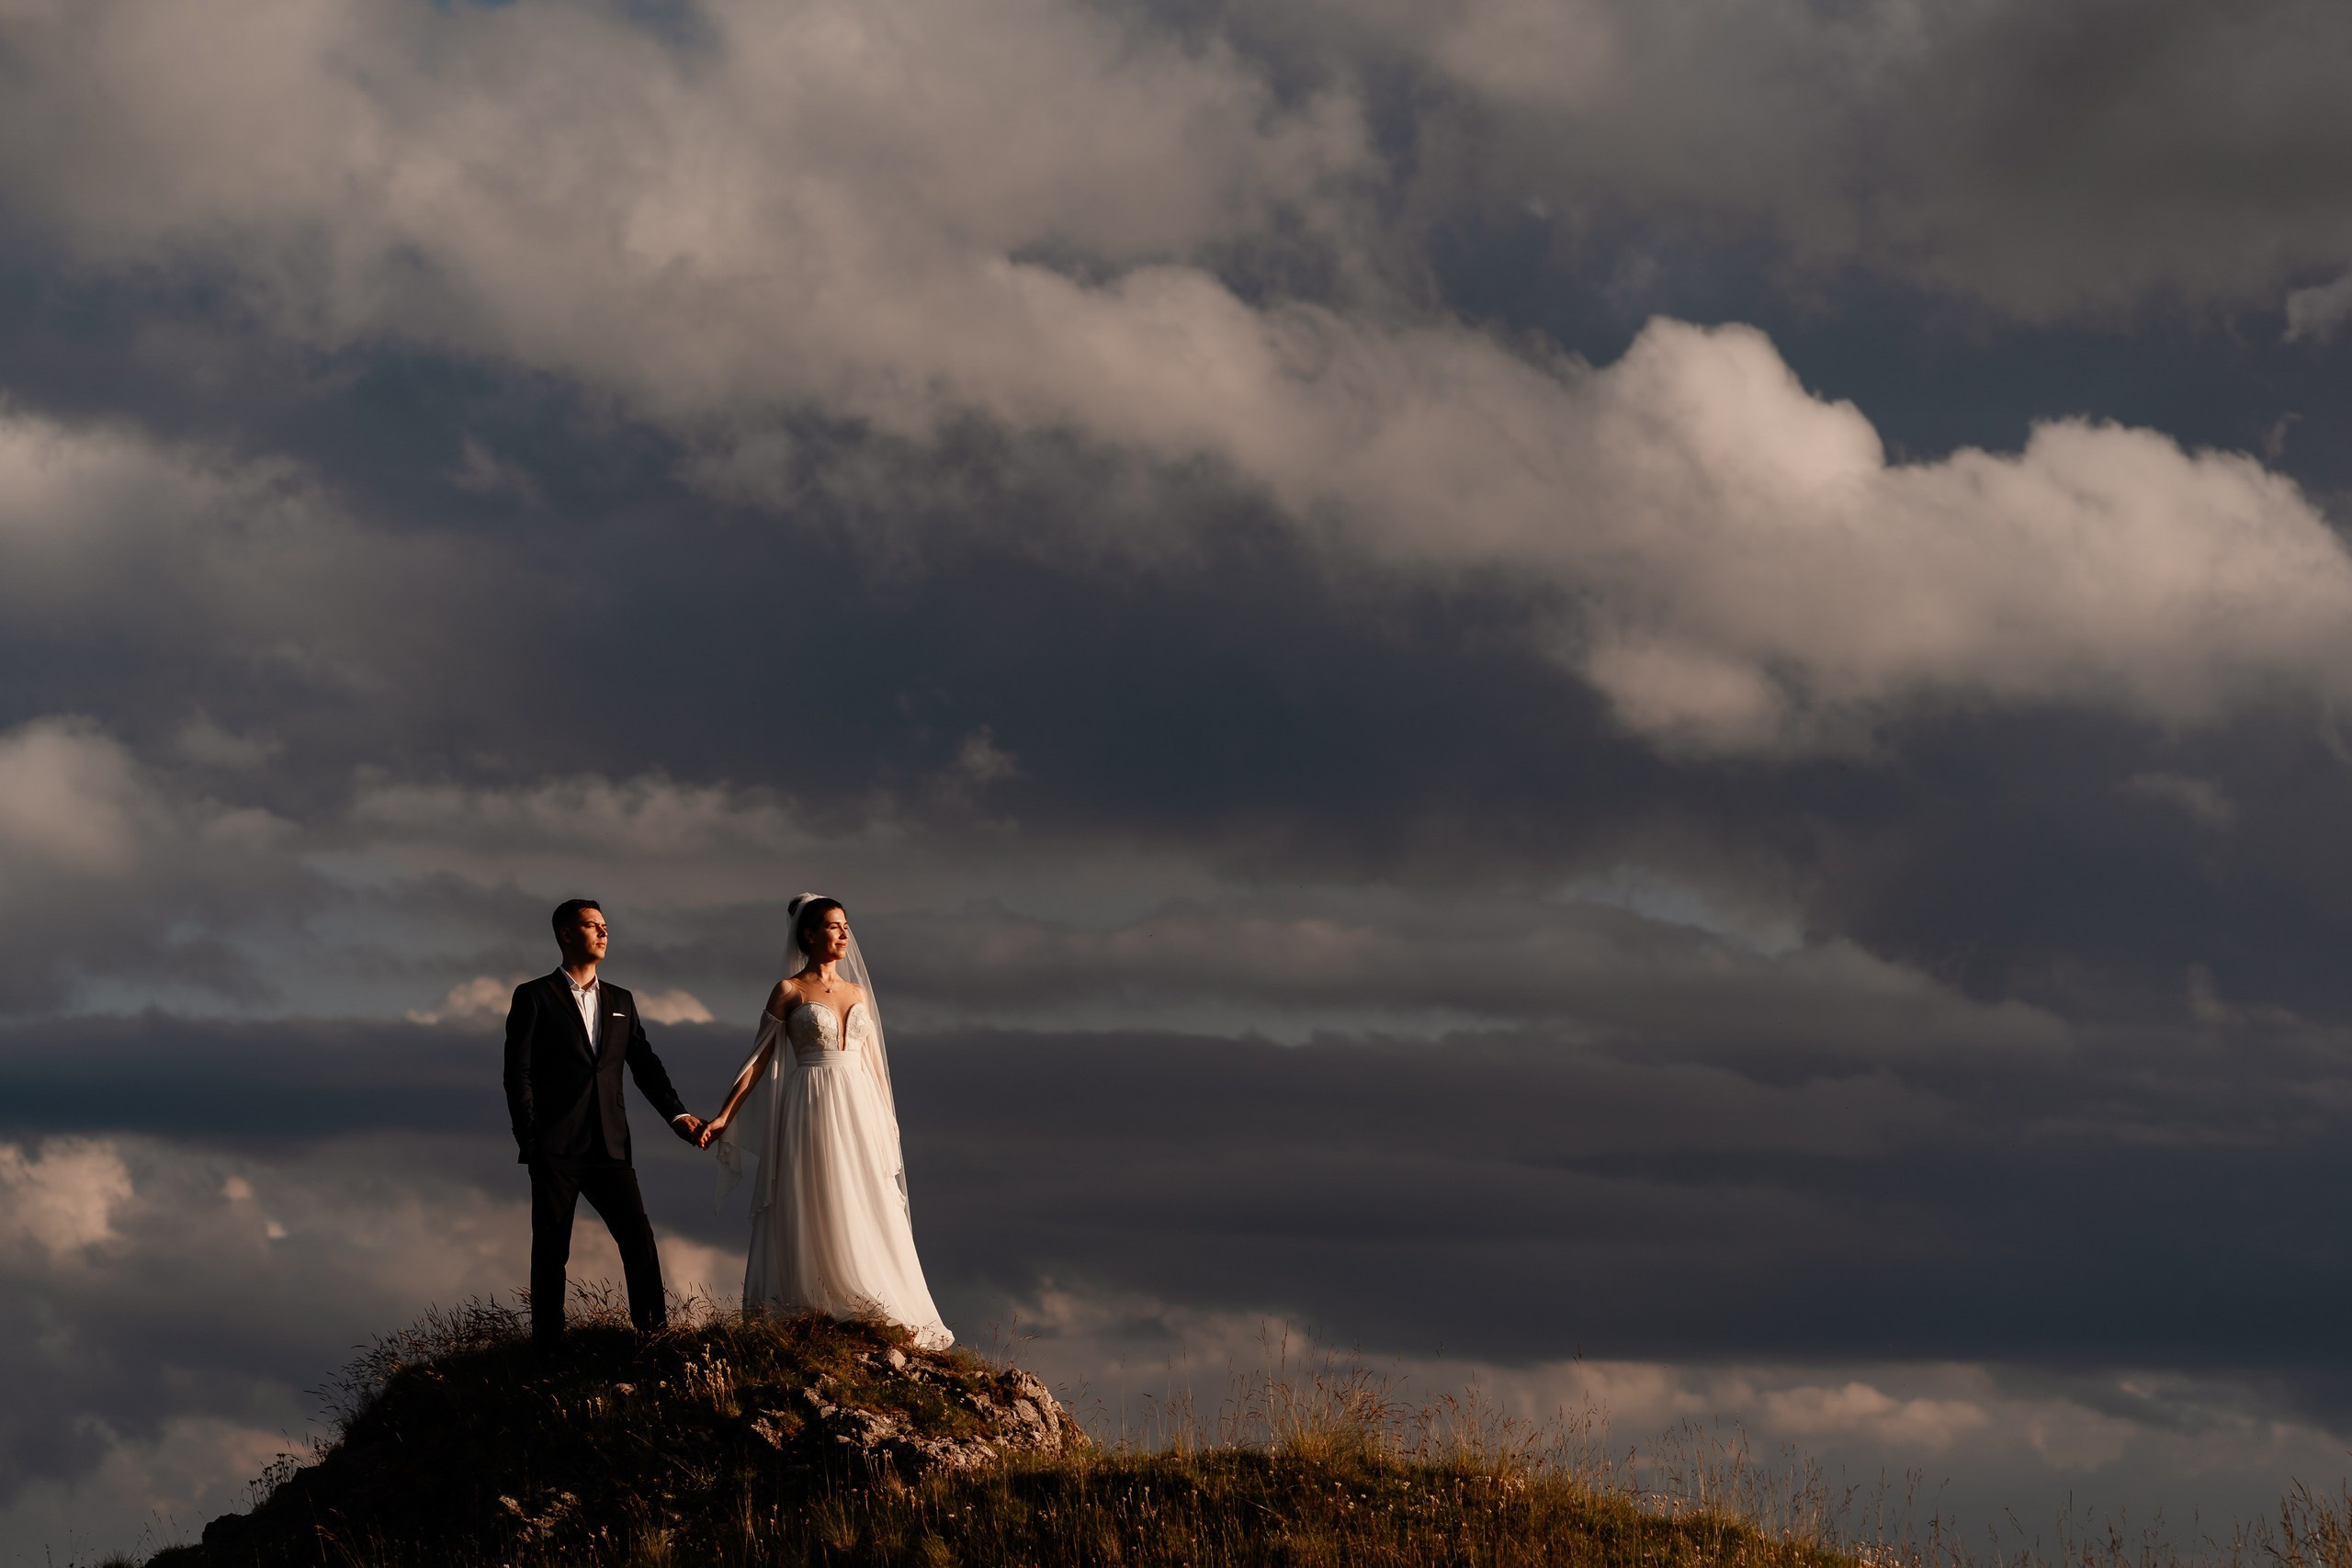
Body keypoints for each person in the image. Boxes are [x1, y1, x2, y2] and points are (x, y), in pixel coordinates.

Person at [701, 894, 952, 1348]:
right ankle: (813, 1301)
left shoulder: (858, 994)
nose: (844, 934)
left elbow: (875, 1066)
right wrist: (723, 1116)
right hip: (810, 1102)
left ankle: (873, 1297)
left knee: (863, 1192)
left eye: (846, 926)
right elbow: (758, 1059)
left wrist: (885, 1123)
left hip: (858, 1105)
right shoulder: (789, 991)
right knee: (816, 1192)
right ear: (810, 934)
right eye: (834, 926)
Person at [503, 898, 705, 1346]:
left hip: (611, 1147)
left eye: (605, 925)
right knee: (552, 1251)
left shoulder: (622, 1000)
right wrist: (531, 1139)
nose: (603, 932)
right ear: (566, 934)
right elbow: (518, 1074)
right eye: (592, 925)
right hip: (555, 1147)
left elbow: (645, 1065)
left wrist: (677, 1114)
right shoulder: (533, 996)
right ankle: (548, 1350)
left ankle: (654, 1336)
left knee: (638, 1237)